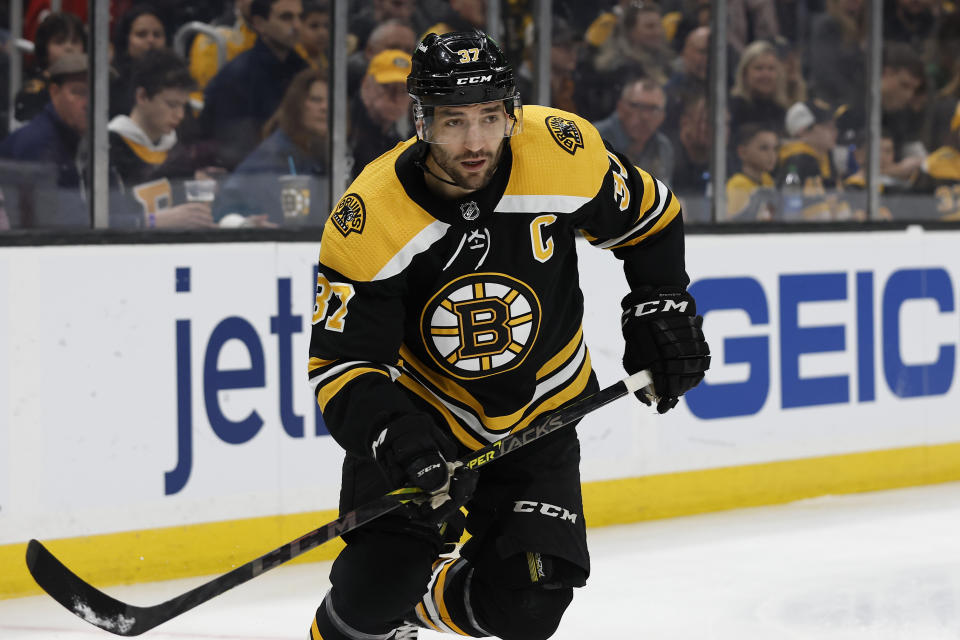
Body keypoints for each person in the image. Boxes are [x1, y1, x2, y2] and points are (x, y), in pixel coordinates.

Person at [307, 29, 709, 640]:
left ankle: (418, 605)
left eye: (490, 118)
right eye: (454, 122)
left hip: (543, 405)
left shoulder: (559, 151)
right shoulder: (371, 220)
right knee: (372, 593)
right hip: (430, 414)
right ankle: (388, 603)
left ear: (510, 112)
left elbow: (652, 218)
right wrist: (398, 435)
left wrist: (661, 305)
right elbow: (342, 369)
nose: (475, 143)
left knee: (529, 606)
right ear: (421, 120)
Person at [107, 48, 217, 229]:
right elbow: (98, 223)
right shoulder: (108, 149)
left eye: (183, 105)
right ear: (142, 96)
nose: (180, 115)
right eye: (171, 105)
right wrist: (152, 222)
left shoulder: (176, 147)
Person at [199, 0, 309, 170]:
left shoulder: (302, 70)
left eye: (300, 17)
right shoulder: (237, 76)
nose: (296, 25)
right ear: (259, 23)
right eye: (286, 17)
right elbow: (234, 150)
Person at [214, 67, 330, 226]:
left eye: (331, 101)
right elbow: (228, 207)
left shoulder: (328, 154)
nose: (325, 107)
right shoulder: (274, 155)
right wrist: (247, 224)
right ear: (297, 105)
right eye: (316, 100)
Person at [0, 53, 89, 227]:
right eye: (79, 92)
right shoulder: (37, 145)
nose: (88, 102)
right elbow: (49, 226)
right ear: (54, 92)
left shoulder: (88, 138)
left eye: (96, 92)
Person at [778, 99, 852, 220]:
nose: (835, 132)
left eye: (834, 127)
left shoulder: (824, 158)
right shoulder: (800, 160)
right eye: (827, 127)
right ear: (803, 130)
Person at [594, 77, 674, 183]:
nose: (645, 116)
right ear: (621, 107)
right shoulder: (594, 138)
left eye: (653, 109)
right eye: (637, 106)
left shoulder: (663, 147)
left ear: (662, 116)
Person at [348, 49, 412, 179]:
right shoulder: (345, 128)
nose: (395, 98)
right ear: (365, 85)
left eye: (403, 91)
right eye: (386, 87)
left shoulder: (398, 139)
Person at [15, 12, 87, 124]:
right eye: (59, 41)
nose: (69, 47)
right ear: (45, 49)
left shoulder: (94, 85)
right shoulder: (33, 92)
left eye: (75, 41)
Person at [110, 4, 169, 118]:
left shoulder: (174, 78)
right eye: (141, 34)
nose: (151, 40)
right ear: (126, 41)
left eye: (157, 35)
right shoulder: (112, 80)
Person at [728, 40, 788, 139]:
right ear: (744, 73)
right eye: (759, 68)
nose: (766, 75)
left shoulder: (780, 110)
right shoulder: (733, 109)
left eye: (771, 68)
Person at [724, 123, 779, 221]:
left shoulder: (767, 179)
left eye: (775, 149)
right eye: (764, 148)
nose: (772, 155)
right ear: (743, 152)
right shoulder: (737, 184)